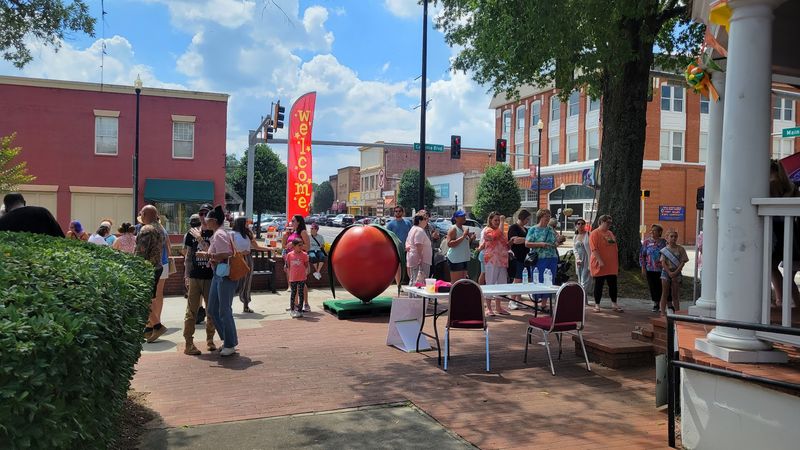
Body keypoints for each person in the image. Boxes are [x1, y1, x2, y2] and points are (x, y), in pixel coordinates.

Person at [202, 205, 238, 356]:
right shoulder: (219, 233)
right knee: (213, 309)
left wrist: (209, 256)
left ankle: (229, 343)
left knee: (223, 309)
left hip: (224, 274)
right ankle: (228, 340)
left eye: (207, 220)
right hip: (219, 274)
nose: (205, 222)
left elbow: (226, 253)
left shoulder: (219, 234)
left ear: (214, 221)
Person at [181, 211, 217, 355]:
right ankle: (188, 344)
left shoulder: (215, 233)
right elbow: (189, 256)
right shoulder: (191, 234)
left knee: (211, 311)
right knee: (191, 311)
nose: (203, 217)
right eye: (201, 214)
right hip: (195, 277)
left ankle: (210, 340)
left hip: (210, 277)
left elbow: (212, 252)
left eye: (206, 214)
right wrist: (186, 276)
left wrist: (200, 239)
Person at [135, 205, 168, 342]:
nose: (141, 216)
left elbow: (140, 252)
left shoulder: (147, 229)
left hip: (146, 268)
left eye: (142, 213)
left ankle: (157, 325)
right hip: (157, 266)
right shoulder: (161, 228)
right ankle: (149, 329)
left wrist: (133, 266)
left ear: (145, 214)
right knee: (151, 297)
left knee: (143, 299)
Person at [769, 159, 800, 307]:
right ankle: (790, 302)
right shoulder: (789, 186)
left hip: (776, 231)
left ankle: (780, 301)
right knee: (785, 272)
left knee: (772, 267)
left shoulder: (772, 183)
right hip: (788, 231)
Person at [232, 217, 269, 313]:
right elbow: (229, 248)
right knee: (234, 281)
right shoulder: (232, 234)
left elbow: (256, 246)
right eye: (246, 223)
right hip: (237, 259)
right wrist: (239, 253)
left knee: (247, 282)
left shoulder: (248, 234)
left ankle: (246, 304)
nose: (248, 224)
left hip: (247, 259)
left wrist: (270, 249)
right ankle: (228, 304)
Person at [526, 209, 559, 309]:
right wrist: (540, 244)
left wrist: (557, 242)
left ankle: (544, 304)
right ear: (540, 217)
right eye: (546, 216)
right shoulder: (533, 229)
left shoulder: (550, 229)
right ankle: (536, 303)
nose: (548, 218)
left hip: (552, 257)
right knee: (538, 279)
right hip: (539, 258)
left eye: (549, 216)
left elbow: (555, 242)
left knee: (549, 280)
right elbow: (527, 244)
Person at [589, 214, 622, 312]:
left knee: (613, 285)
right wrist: (600, 260)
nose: (609, 225)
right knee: (599, 284)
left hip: (611, 265)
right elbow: (594, 248)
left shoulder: (610, 233)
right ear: (601, 222)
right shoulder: (595, 233)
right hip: (600, 264)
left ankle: (614, 304)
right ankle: (597, 305)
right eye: (607, 222)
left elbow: (614, 247)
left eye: (610, 223)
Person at [481, 212, 510, 316]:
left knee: (501, 284)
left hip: (502, 260)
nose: (497, 222)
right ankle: (489, 308)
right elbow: (496, 235)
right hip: (492, 260)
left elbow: (505, 245)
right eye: (495, 220)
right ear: (490, 221)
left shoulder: (501, 231)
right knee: (490, 283)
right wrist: (502, 222)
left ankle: (498, 307)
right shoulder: (487, 230)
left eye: (499, 220)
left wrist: (510, 243)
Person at [0, 192, 64, 237]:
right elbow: (59, 235)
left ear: (6, 207)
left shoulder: (3, 221)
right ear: (24, 202)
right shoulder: (43, 212)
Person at [659, 230, 689, 315]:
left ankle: (677, 312)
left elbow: (683, 262)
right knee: (665, 293)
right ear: (667, 238)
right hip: (666, 272)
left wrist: (675, 272)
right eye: (671, 236)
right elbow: (663, 262)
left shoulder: (681, 249)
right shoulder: (664, 250)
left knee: (675, 294)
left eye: (675, 236)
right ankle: (662, 312)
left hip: (677, 272)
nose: (673, 238)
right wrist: (669, 272)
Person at [640, 224, 667, 312]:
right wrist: (643, 267)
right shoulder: (646, 242)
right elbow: (642, 255)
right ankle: (656, 303)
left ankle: (662, 303)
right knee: (653, 286)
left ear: (659, 232)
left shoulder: (664, 242)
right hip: (650, 268)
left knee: (661, 286)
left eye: (655, 230)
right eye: (651, 230)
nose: (652, 232)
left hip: (661, 269)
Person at [507, 210, 531, 309]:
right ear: (522, 218)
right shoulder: (513, 227)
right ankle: (511, 301)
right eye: (527, 219)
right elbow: (515, 240)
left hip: (525, 257)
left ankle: (518, 300)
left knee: (522, 279)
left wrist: (524, 240)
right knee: (517, 279)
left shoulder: (526, 229)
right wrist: (527, 240)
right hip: (516, 257)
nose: (528, 221)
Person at [387, 206, 412, 286]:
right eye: (396, 211)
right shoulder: (390, 224)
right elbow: (388, 236)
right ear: (394, 213)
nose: (398, 212)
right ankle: (398, 284)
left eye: (399, 211)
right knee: (398, 267)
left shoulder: (408, 223)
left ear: (402, 212)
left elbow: (411, 235)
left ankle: (411, 284)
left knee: (409, 266)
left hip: (407, 248)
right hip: (396, 249)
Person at [445, 210, 474, 281]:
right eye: (461, 216)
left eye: (464, 216)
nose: (464, 217)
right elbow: (449, 244)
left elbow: (464, 244)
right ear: (456, 218)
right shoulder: (453, 229)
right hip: (455, 259)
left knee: (463, 283)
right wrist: (463, 236)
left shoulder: (464, 228)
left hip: (464, 258)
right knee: (456, 283)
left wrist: (471, 239)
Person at [405, 214, 433, 286]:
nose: (427, 221)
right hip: (421, 260)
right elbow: (418, 244)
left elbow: (408, 242)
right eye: (425, 219)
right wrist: (420, 258)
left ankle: (413, 297)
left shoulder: (413, 229)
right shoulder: (419, 230)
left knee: (414, 279)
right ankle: (418, 297)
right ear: (420, 220)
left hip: (414, 258)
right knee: (419, 281)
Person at [286, 237, 310, 318]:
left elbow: (306, 265)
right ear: (294, 246)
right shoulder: (289, 255)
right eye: (299, 245)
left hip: (302, 277)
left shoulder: (304, 255)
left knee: (301, 294)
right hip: (293, 277)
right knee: (293, 293)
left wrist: (306, 272)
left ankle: (300, 310)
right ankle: (292, 310)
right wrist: (290, 274)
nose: (301, 247)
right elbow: (288, 266)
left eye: (302, 245)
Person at [572, 218, 593, 298]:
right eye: (578, 224)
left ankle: (581, 297)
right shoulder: (575, 236)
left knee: (585, 279)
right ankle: (584, 298)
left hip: (587, 258)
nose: (580, 225)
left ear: (585, 225)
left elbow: (592, 248)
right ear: (576, 225)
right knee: (580, 279)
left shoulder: (589, 234)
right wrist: (577, 258)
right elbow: (574, 249)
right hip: (579, 260)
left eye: (582, 224)